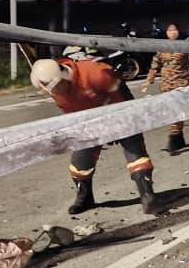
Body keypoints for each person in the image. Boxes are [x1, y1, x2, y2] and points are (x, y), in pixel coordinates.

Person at [30, 58, 163, 215]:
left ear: (64, 76)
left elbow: (122, 98)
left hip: (119, 113)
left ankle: (147, 195)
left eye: (57, 87)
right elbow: (69, 112)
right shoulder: (54, 88)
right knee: (79, 164)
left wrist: (120, 125)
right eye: (51, 91)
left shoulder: (95, 73)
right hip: (89, 122)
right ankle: (85, 197)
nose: (56, 92)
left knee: (135, 154)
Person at [141, 22, 189, 155]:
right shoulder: (162, 47)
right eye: (170, 30)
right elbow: (155, 65)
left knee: (177, 110)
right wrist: (149, 80)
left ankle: (173, 138)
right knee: (171, 111)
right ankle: (178, 136)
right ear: (166, 32)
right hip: (166, 84)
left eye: (175, 30)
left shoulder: (185, 46)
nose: (172, 32)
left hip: (181, 83)